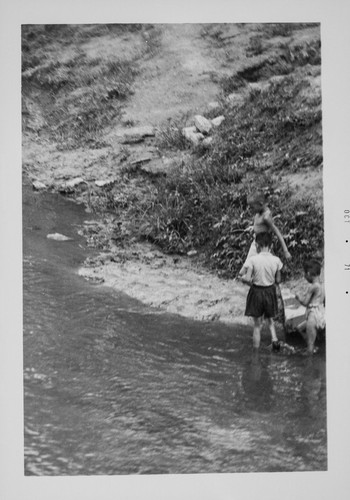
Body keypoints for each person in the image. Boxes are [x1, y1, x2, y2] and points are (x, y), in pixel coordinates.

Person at [240, 231, 283, 350]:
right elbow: (278, 280)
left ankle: (256, 353)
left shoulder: (253, 260)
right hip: (270, 292)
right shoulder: (276, 260)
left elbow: (248, 278)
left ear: (257, 246)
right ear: (271, 246)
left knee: (257, 325)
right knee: (270, 318)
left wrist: (243, 279)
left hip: (256, 293)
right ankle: (275, 341)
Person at [239, 192, 291, 277]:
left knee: (265, 273)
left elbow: (276, 231)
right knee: (242, 273)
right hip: (255, 243)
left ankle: (264, 287)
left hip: (263, 246)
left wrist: (286, 251)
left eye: (252, 207)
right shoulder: (258, 212)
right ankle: (260, 286)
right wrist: (253, 228)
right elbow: (260, 225)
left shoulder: (266, 216)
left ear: (260, 204)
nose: (250, 209)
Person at [295, 259, 325, 355]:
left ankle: (310, 357)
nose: (304, 276)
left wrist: (298, 297)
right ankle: (314, 343)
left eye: (304, 273)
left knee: (310, 345)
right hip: (321, 314)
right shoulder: (322, 285)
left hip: (312, 315)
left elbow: (305, 302)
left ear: (308, 273)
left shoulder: (312, 287)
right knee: (300, 328)